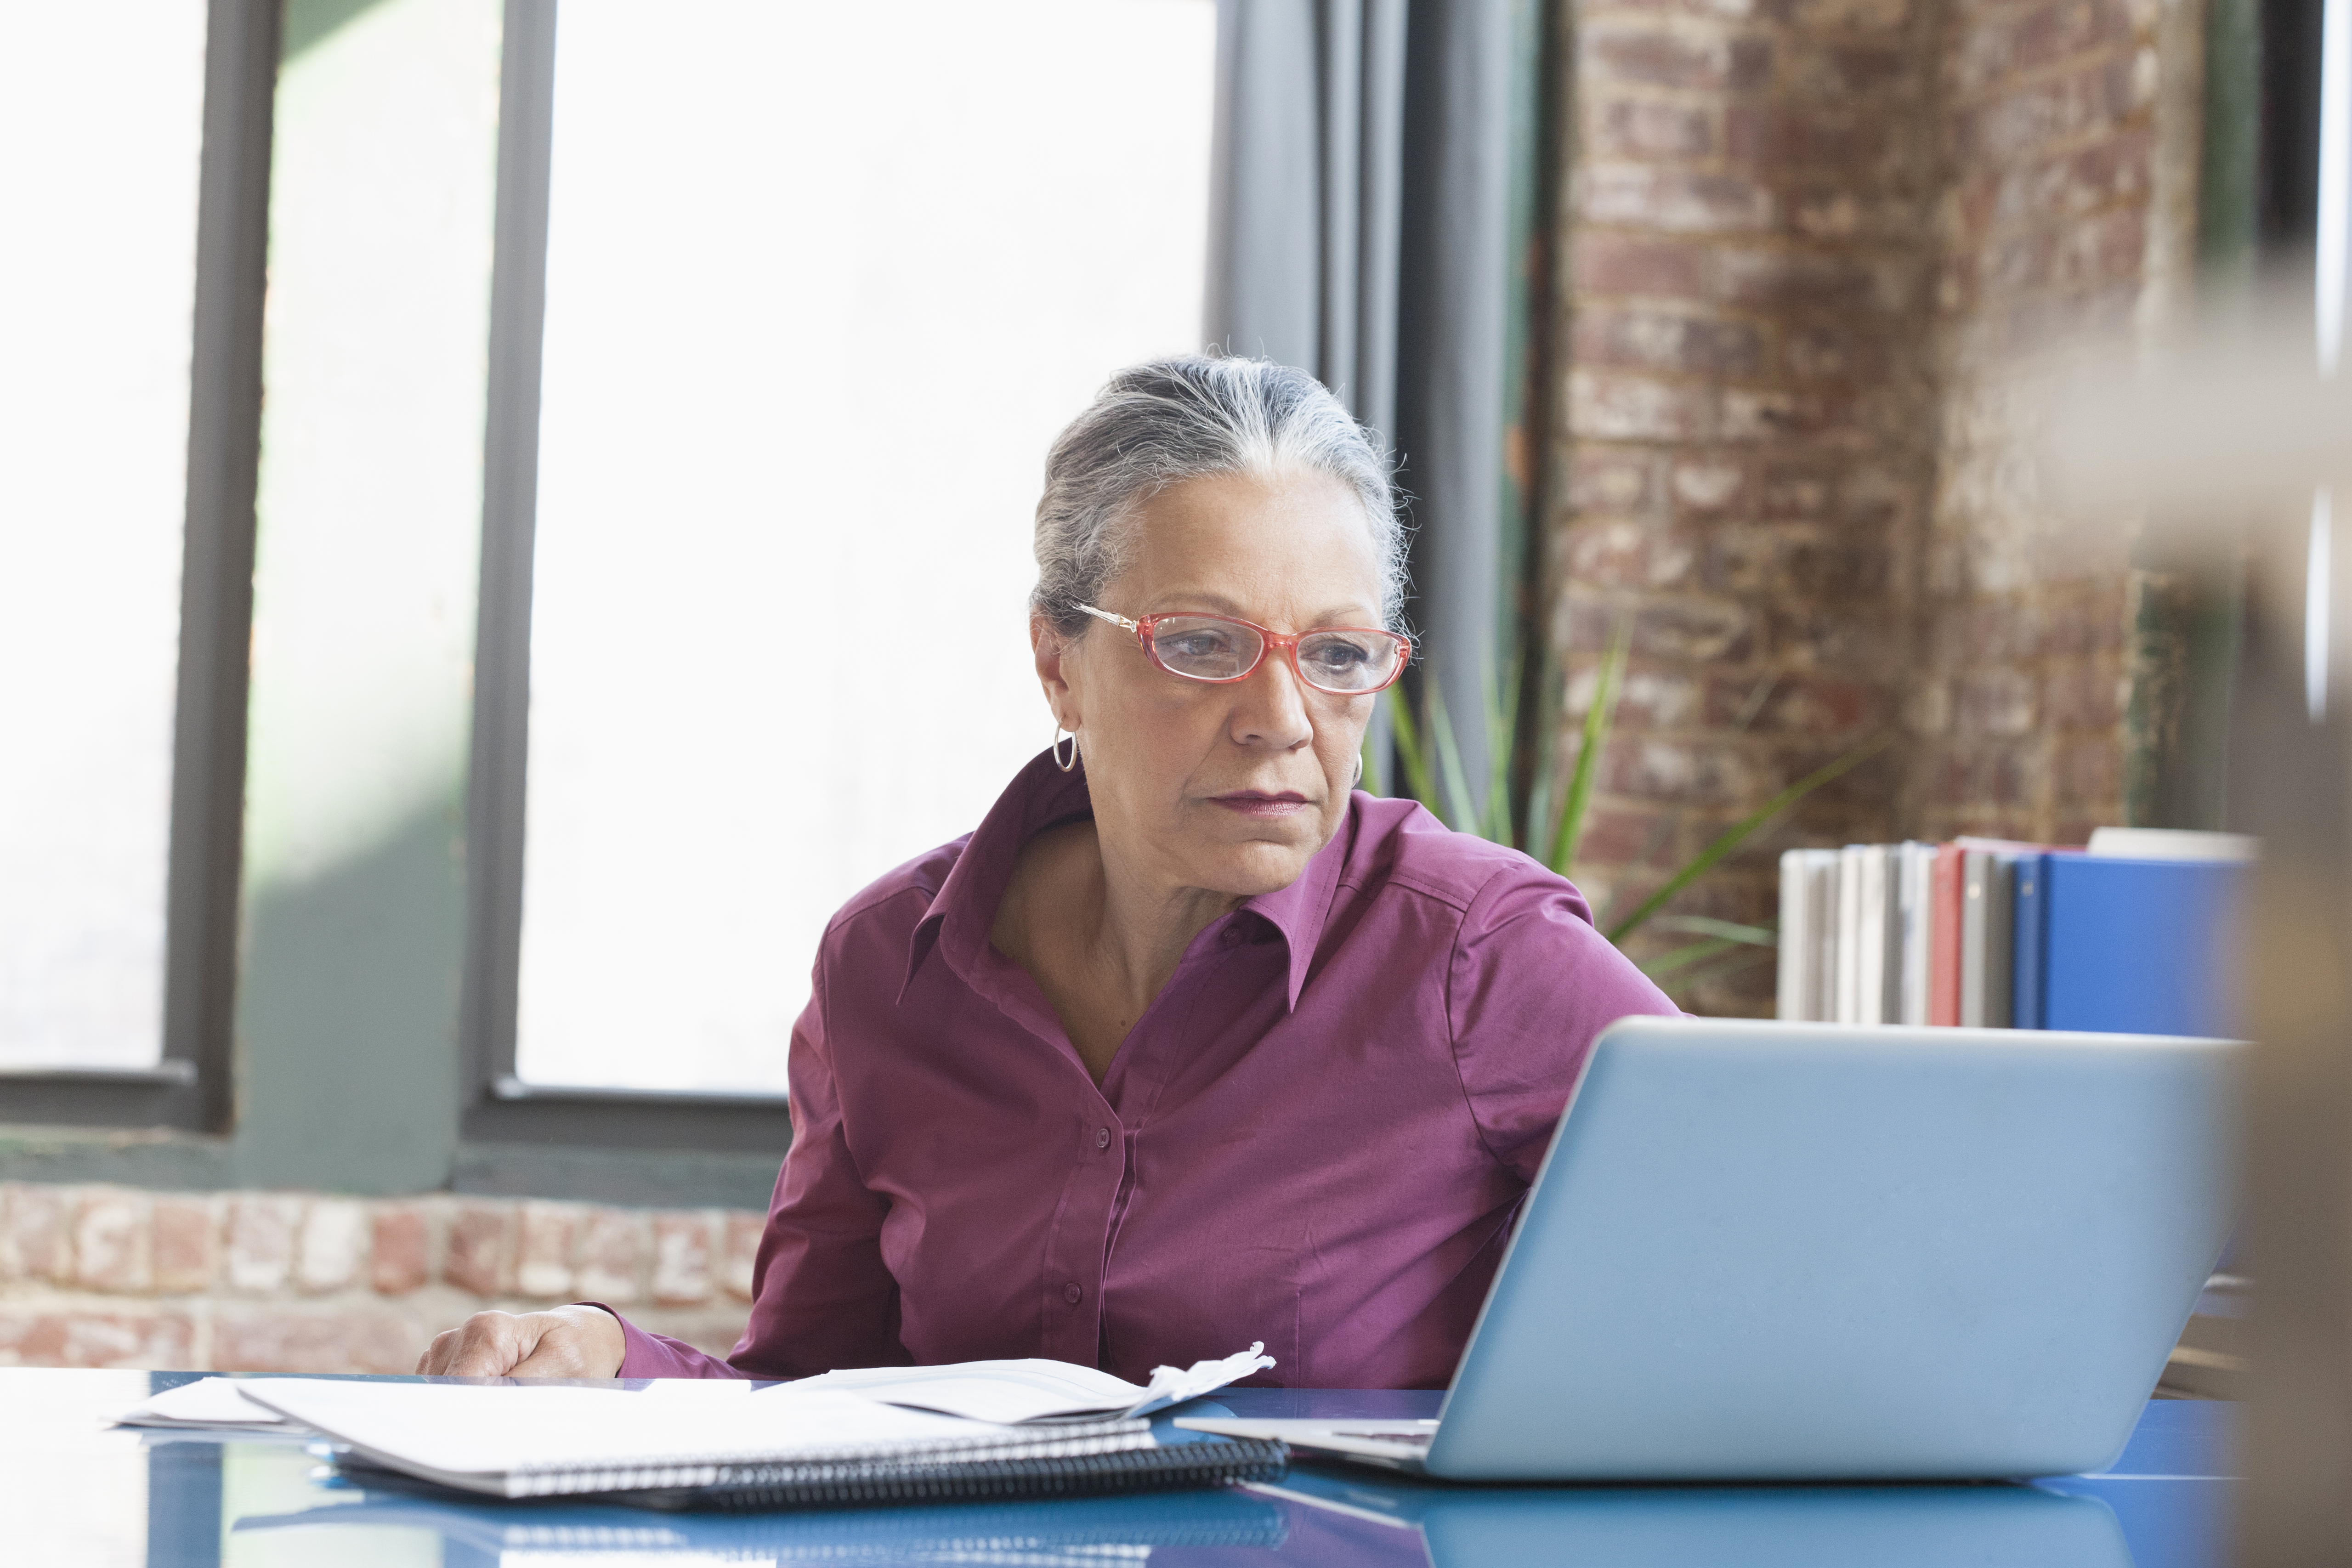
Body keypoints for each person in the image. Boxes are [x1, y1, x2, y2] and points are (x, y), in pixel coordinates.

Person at [419, 355, 1677, 1387]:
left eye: (1339, 655)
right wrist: (604, 1360)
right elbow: (811, 1407)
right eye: (1202, 643)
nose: (1283, 717)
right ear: (1057, 660)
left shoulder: (1477, 954)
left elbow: (1779, 1259)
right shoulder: (889, 968)